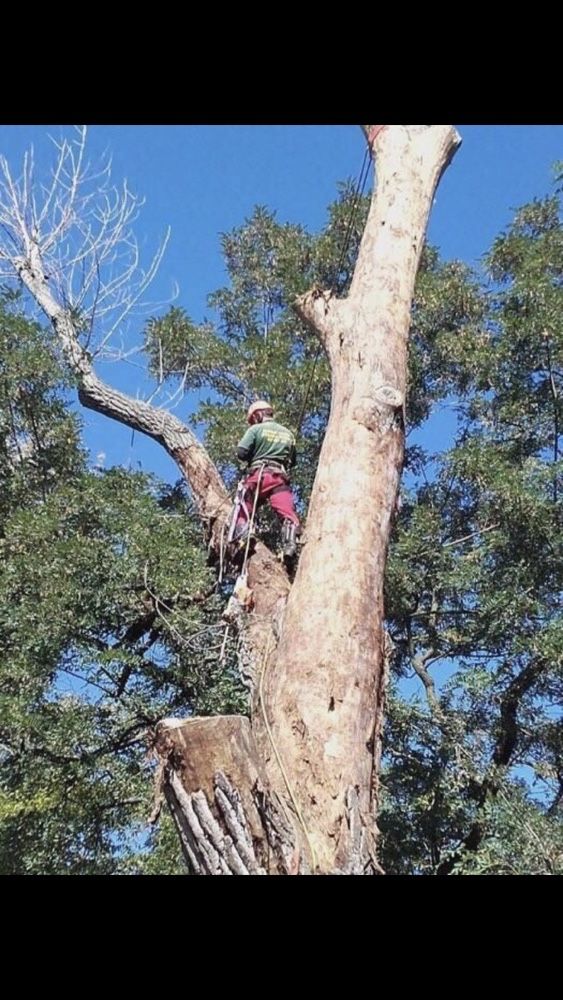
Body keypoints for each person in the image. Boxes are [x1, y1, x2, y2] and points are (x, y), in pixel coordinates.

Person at [233, 400, 301, 556]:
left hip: (259, 477)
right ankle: (290, 546)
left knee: (244, 505)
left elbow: (241, 453)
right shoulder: (288, 433)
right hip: (279, 479)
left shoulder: (255, 429)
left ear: (258, 415)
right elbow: (293, 461)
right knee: (287, 513)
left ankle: (244, 535)